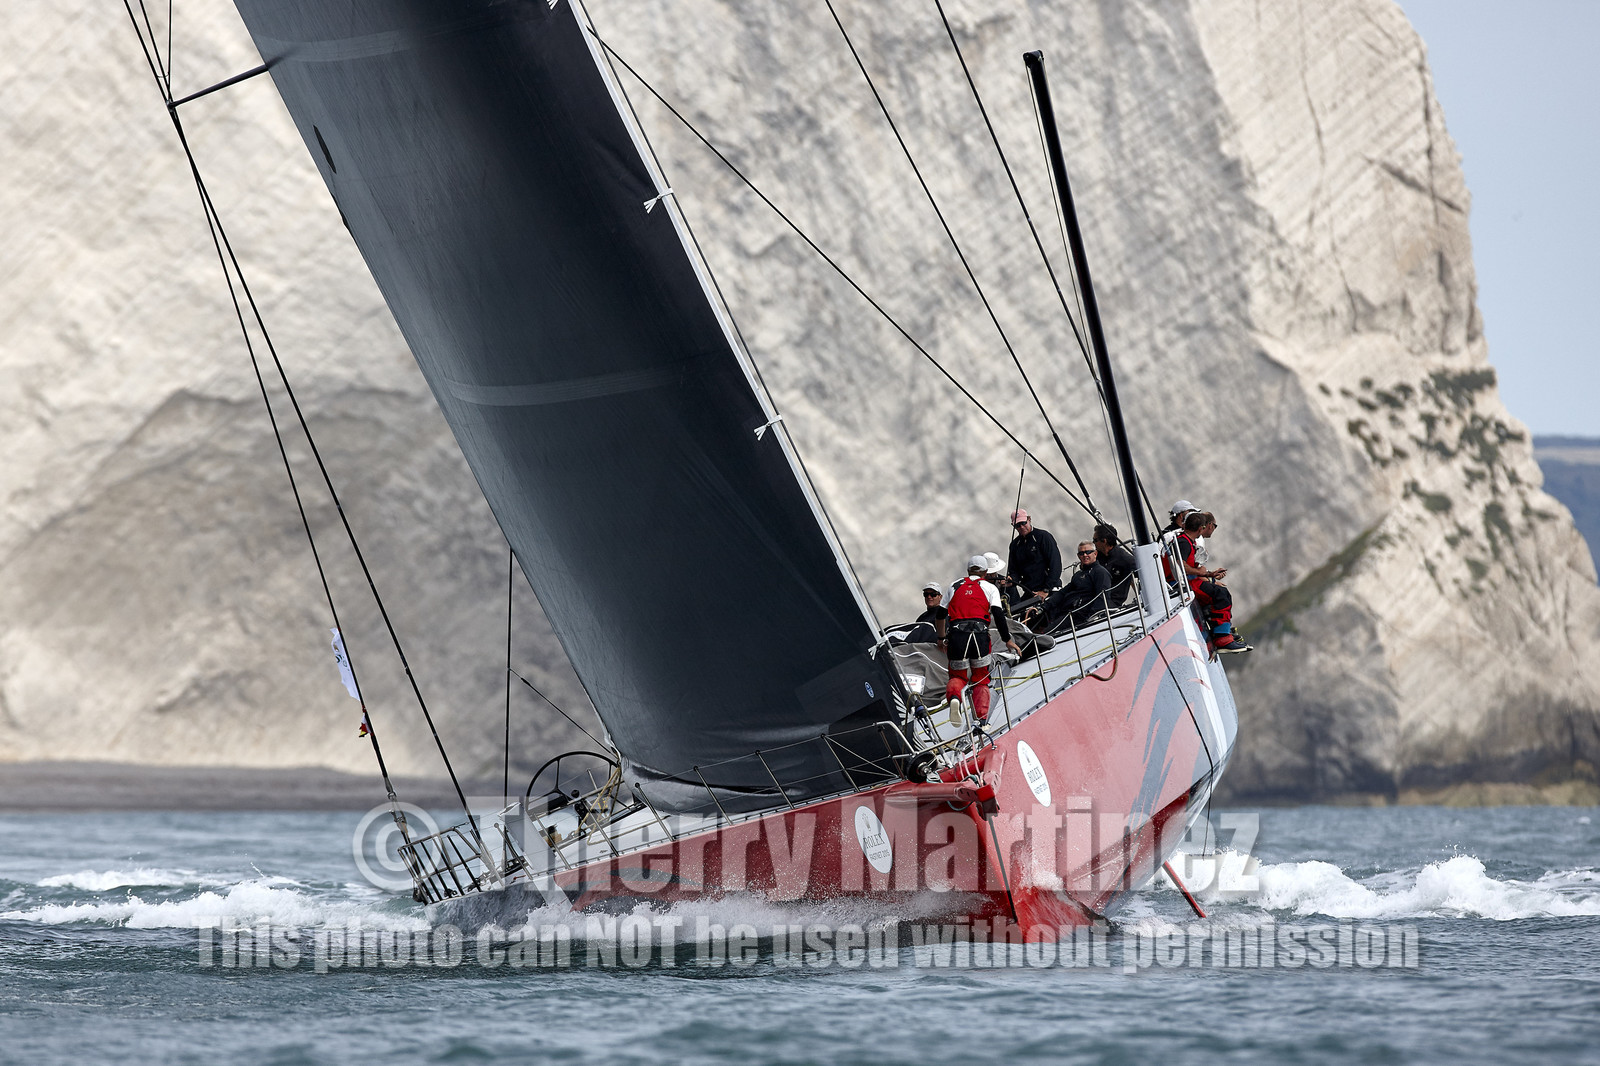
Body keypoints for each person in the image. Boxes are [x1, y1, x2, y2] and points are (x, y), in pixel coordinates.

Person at [942, 556, 1020, 726]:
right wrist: (1007, 640)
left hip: (957, 637)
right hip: (980, 637)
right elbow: (999, 616)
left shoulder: (954, 586)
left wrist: (941, 639)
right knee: (981, 678)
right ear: (985, 572)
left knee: (958, 676)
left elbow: (940, 614)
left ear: (968, 570)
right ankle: (982, 719)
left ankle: (955, 698)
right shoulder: (989, 587)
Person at [1178, 511, 1250, 653]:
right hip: (1189, 584)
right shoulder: (1184, 542)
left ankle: (1221, 630)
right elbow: (1181, 565)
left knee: (1220, 592)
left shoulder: (1184, 541)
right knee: (1220, 595)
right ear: (1200, 529)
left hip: (1191, 581)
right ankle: (1222, 638)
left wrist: (1209, 575)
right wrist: (1203, 573)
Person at [1024, 541, 1111, 633]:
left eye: (1088, 552)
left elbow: (1102, 597)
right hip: (1066, 612)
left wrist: (1090, 620)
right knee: (1032, 622)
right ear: (1078, 556)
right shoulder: (1078, 575)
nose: (1085, 555)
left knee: (1046, 634)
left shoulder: (1101, 573)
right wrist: (1044, 606)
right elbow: (1063, 592)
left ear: (1095, 553)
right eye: (1081, 553)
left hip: (1080, 617)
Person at [1005, 510, 1061, 605]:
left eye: (1023, 523)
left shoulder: (1043, 537)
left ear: (1029, 519)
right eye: (1017, 525)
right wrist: (1011, 581)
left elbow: (1055, 565)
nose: (1021, 527)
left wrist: (1045, 590)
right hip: (1030, 592)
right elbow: (1014, 571)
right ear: (1013, 526)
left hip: (1050, 589)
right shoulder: (1015, 545)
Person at [1093, 523, 1137, 604]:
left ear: (1104, 541)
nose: (1093, 543)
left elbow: (1143, 574)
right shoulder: (1096, 557)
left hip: (1111, 603)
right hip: (1095, 598)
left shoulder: (1126, 559)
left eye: (1095, 540)